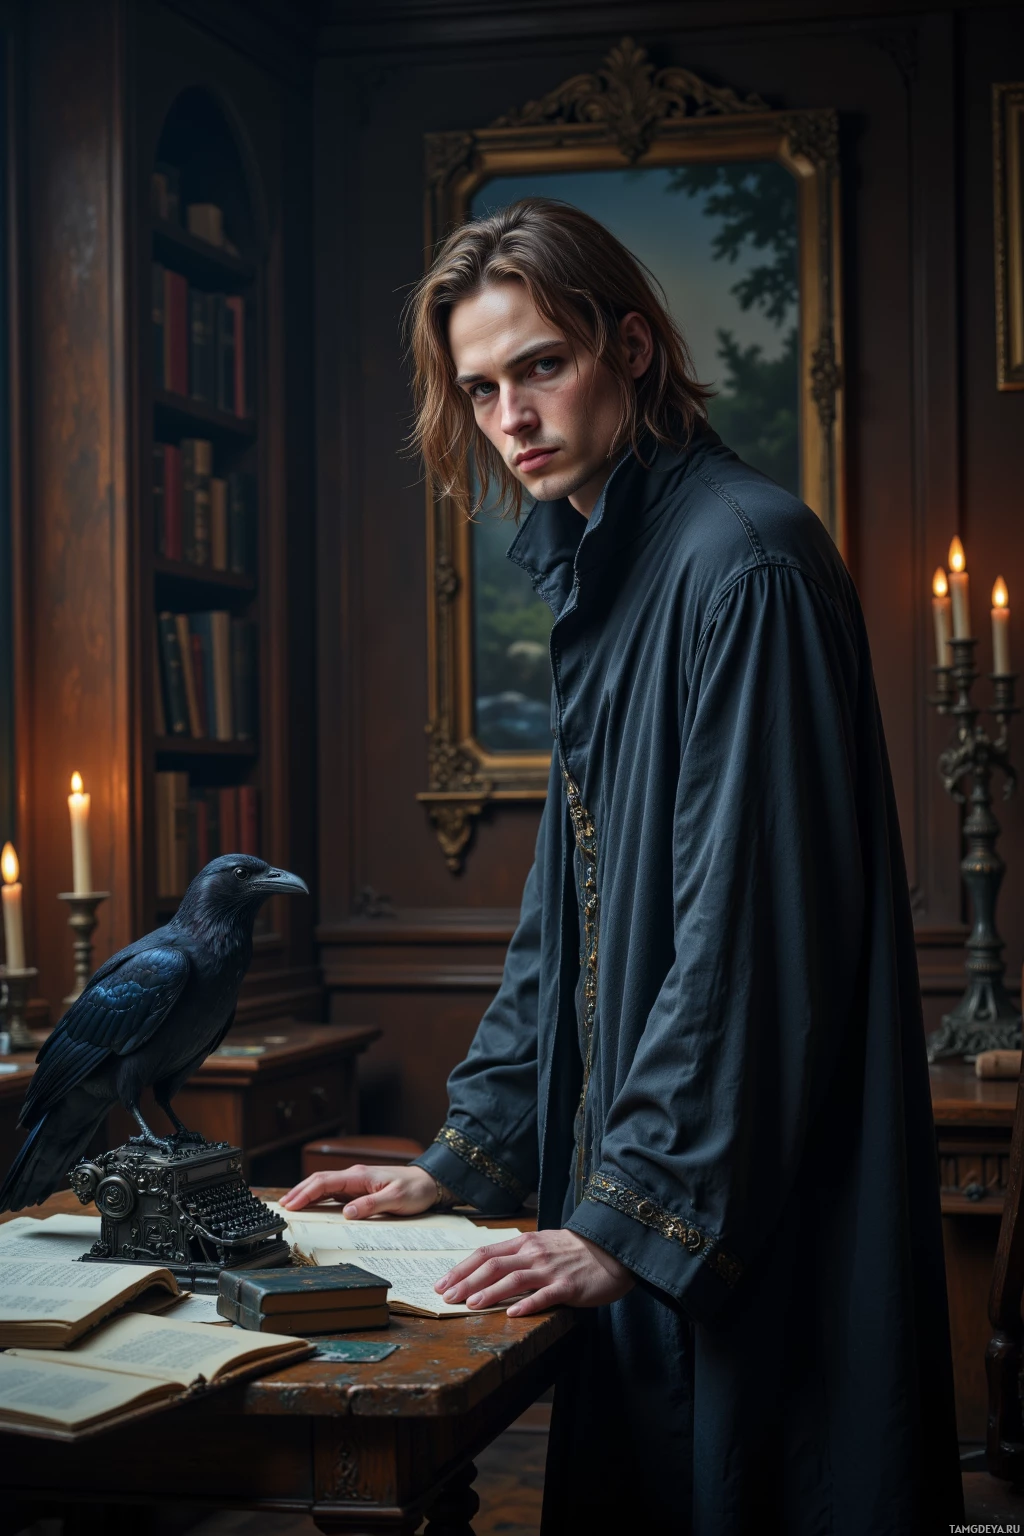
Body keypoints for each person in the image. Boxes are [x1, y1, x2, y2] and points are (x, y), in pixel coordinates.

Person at [283, 198, 962, 1534]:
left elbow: (746, 939)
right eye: (481, 389)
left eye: (542, 364)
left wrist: (627, 1219)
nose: (511, 416)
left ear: (633, 348)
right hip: (651, 1186)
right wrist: (458, 1162)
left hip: (750, 1206)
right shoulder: (614, 572)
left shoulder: (744, 563)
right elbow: (567, 927)